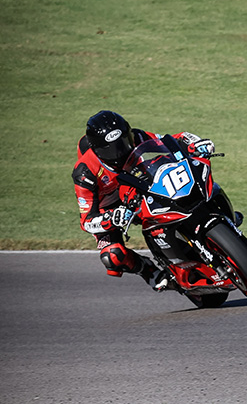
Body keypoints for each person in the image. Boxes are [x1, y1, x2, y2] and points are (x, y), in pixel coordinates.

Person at [72, 110, 219, 289]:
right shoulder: (85, 172)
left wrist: (194, 143)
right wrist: (110, 219)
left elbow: (169, 141)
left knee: (187, 189)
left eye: (124, 142)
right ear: (97, 150)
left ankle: (214, 216)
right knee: (112, 256)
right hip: (109, 210)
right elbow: (86, 221)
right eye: (110, 150)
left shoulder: (138, 136)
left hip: (137, 187)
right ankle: (148, 271)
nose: (120, 151)